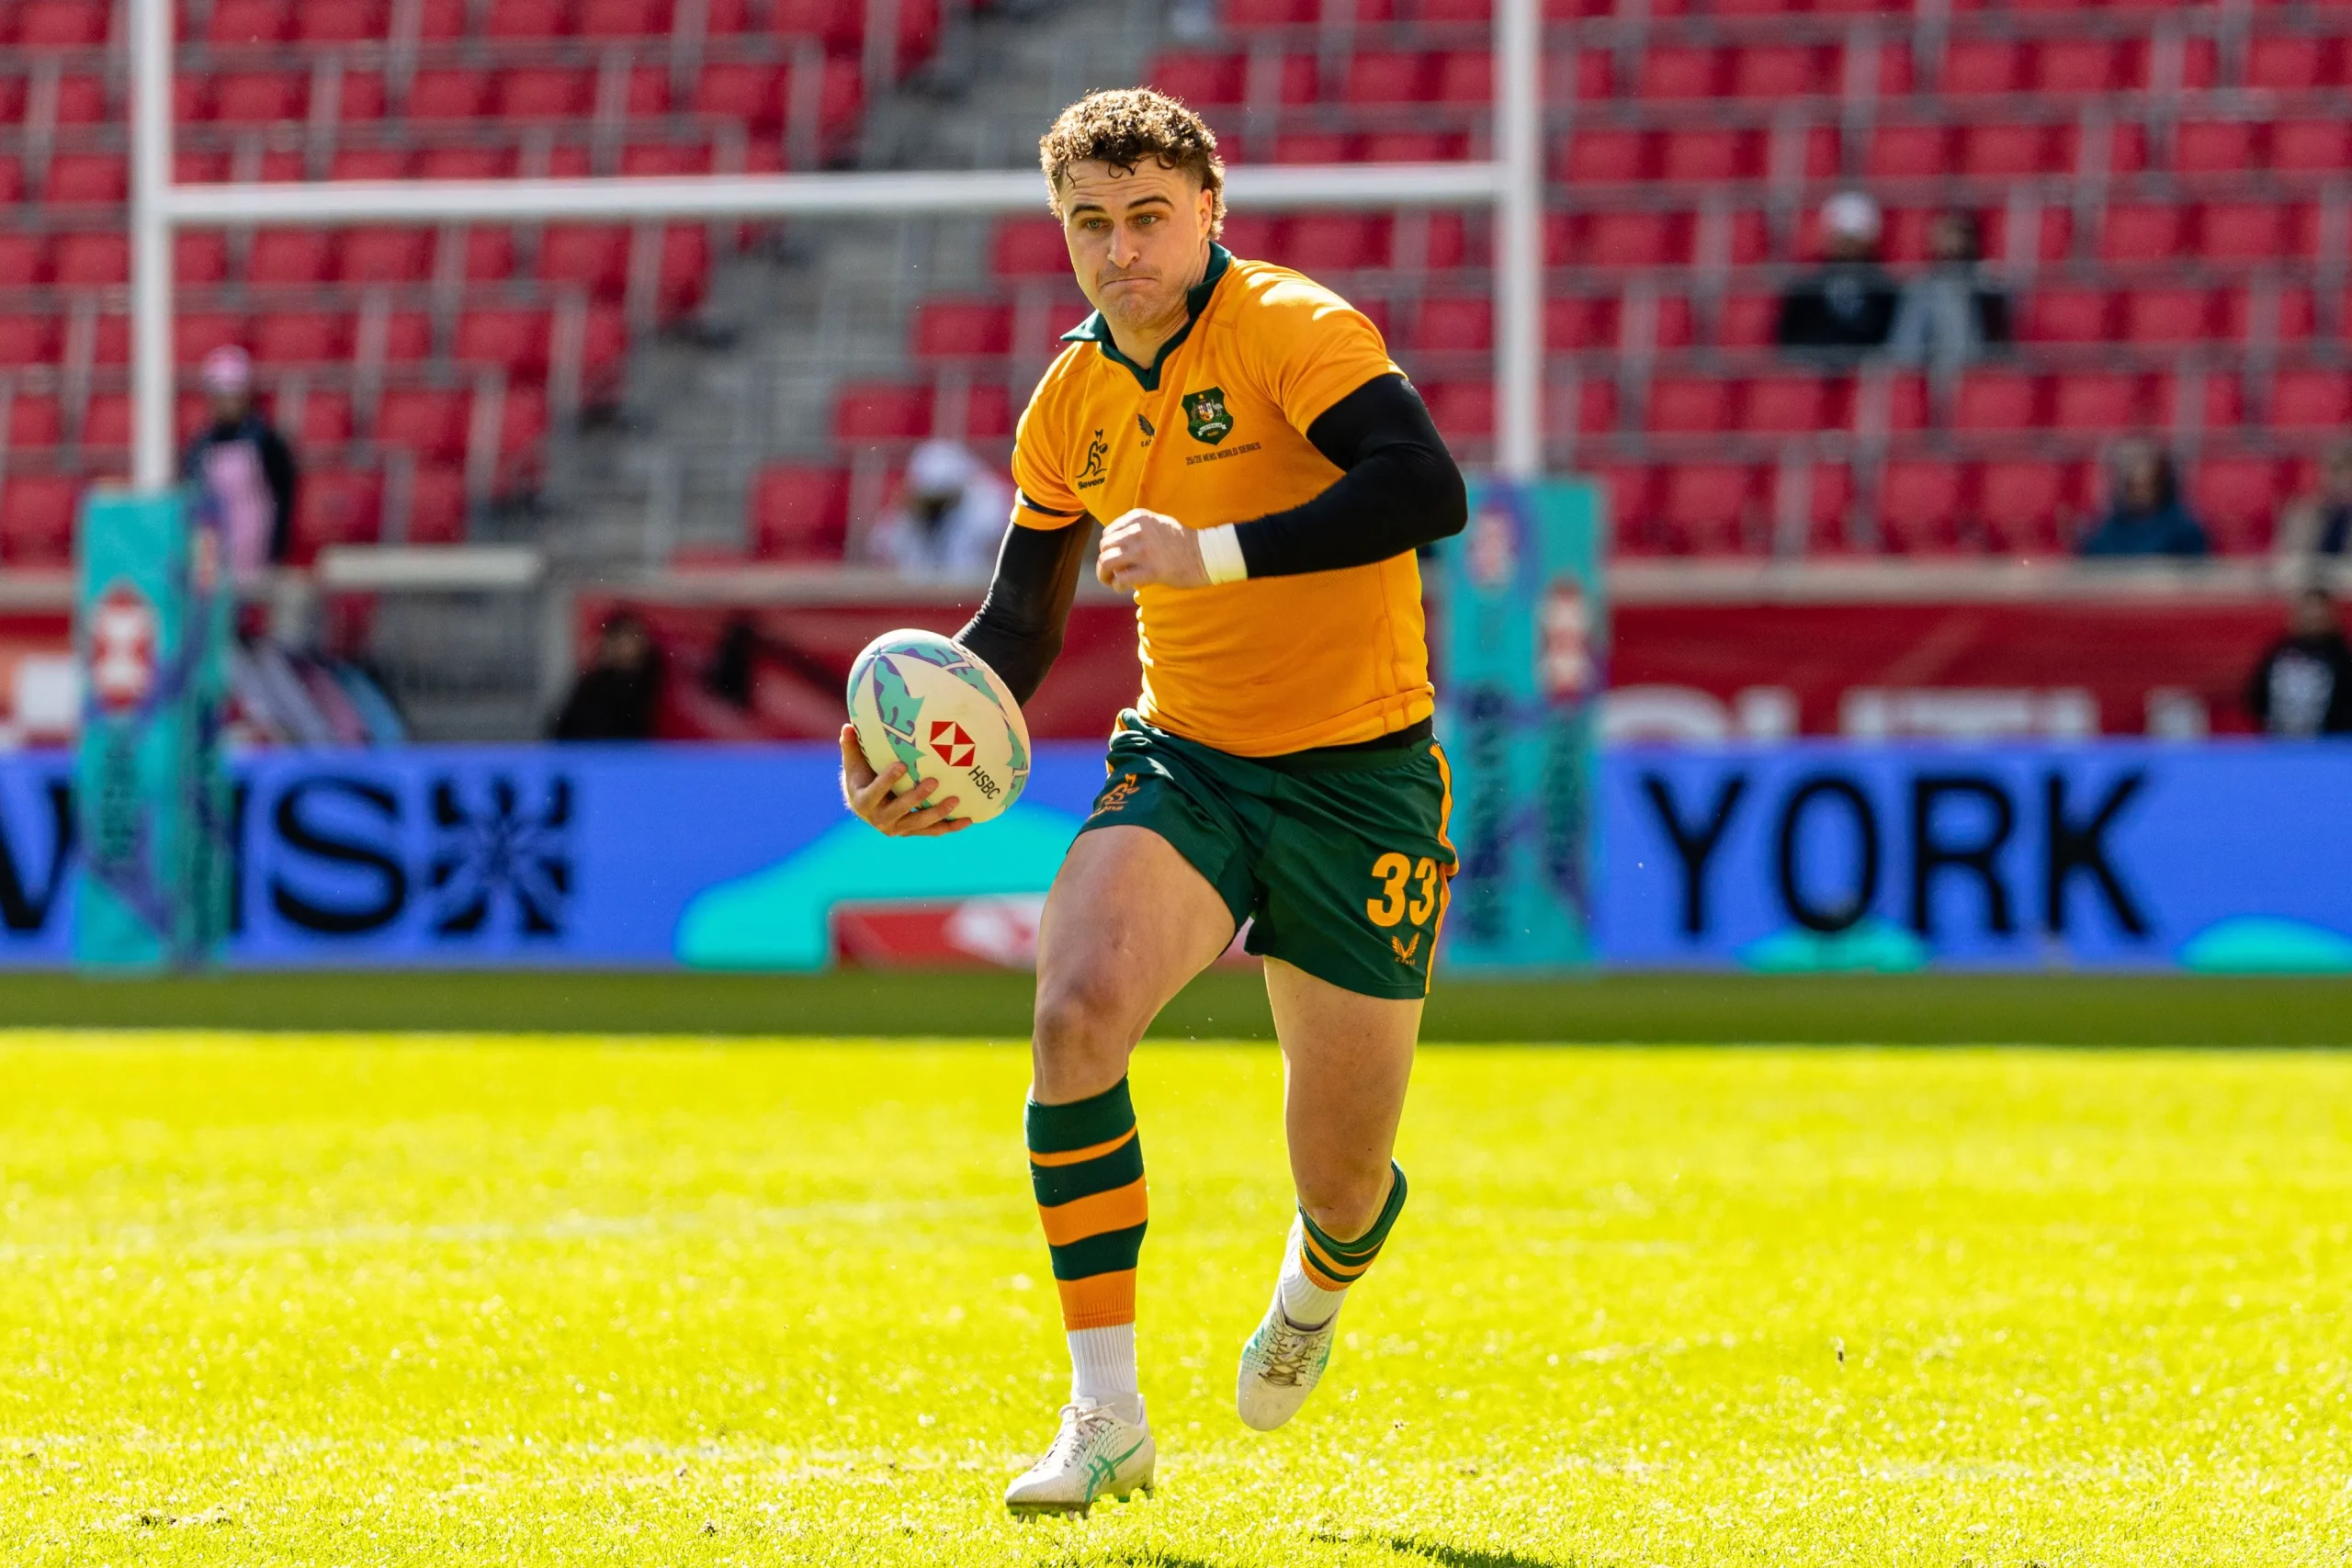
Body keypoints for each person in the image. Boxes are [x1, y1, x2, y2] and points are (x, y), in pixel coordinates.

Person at [835, 88, 1467, 1515]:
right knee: (1073, 1013)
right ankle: (1106, 1413)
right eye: (1090, 223)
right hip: (1187, 757)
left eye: (1146, 218)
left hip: (1364, 776)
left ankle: (1317, 1280)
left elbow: (1427, 487)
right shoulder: (1070, 399)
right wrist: (906, 741)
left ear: (1208, 214)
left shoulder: (1297, 326)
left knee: (1347, 1177)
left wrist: (1216, 555)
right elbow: (1017, 620)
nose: (1120, 250)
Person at [181, 345, 299, 580]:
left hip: (258, 551)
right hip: (214, 555)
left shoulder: (267, 443)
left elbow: (284, 497)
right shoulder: (200, 446)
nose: (227, 403)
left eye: (233, 395)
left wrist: (276, 551)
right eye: (220, 396)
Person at [864, 439, 1013, 577]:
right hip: (922, 594)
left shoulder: (985, 500)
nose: (936, 505)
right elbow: (879, 544)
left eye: (943, 497)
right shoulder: (910, 511)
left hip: (973, 592)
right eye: (931, 498)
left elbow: (1001, 535)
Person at [1774, 191, 1900, 355]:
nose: (1847, 245)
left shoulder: (1887, 291)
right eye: (1842, 236)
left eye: (1854, 237)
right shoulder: (1804, 290)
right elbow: (1789, 343)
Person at [1887, 210, 2011, 368]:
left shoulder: (1990, 285)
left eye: (1961, 233)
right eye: (1948, 234)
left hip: (1981, 375)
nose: (1955, 242)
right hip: (1936, 375)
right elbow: (1905, 351)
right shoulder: (1920, 289)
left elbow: (2005, 345)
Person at [2077, 439, 2211, 558]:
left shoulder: (2184, 532)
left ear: (2162, 483)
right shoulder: (2105, 533)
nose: (2140, 493)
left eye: (2148, 484)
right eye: (2133, 486)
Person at [2246, 588, 2352, 737]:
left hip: (2330, 747)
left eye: (2318, 615)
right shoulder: (2279, 653)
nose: (2313, 619)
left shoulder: (2343, 658)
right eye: (2308, 614)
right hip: (2280, 744)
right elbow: (2256, 695)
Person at [550, 613, 663, 739]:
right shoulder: (592, 687)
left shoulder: (658, 681)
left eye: (634, 639)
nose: (627, 649)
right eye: (620, 641)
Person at [2275, 441, 2352, 563]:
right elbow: (2291, 558)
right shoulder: (2302, 512)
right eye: (2332, 471)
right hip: (2311, 579)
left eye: (2345, 471)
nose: (2337, 480)